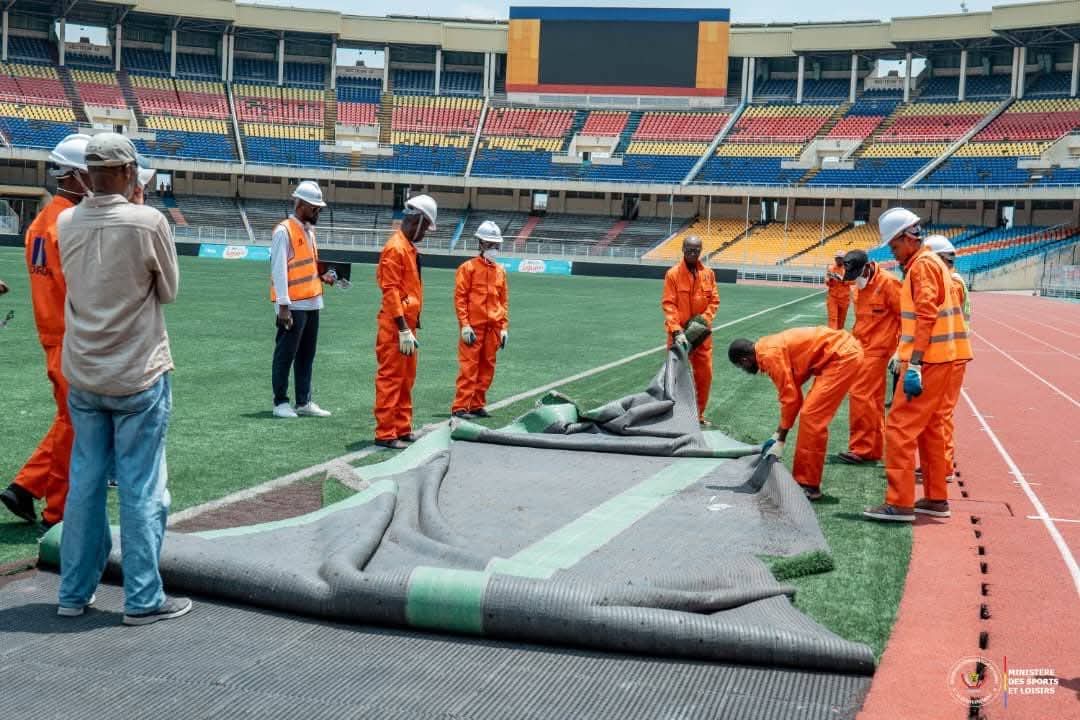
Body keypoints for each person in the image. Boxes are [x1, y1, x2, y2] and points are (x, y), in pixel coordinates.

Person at [55, 132, 190, 625]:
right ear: (130, 172)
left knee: (85, 484)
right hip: (137, 371)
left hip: (85, 371)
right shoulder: (148, 222)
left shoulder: (66, 221)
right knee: (141, 487)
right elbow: (169, 291)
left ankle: (73, 593)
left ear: (88, 173)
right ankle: (142, 598)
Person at [1, 134, 91, 529]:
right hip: (72, 336)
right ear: (73, 175)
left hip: (52, 332)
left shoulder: (41, 221)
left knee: (69, 419)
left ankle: (25, 486)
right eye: (92, 173)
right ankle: (58, 513)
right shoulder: (70, 224)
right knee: (75, 426)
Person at [863, 209, 971, 523]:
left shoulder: (922, 266)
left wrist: (914, 364)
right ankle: (936, 498)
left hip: (931, 360)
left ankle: (899, 503)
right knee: (932, 428)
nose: (894, 253)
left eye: (894, 246)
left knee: (899, 428)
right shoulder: (932, 263)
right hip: (947, 357)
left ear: (907, 238)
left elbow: (925, 316)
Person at [728, 326, 863, 500]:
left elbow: (790, 399)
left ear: (745, 360)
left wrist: (781, 439)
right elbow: (794, 395)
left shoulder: (769, 356)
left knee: (812, 417)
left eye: (741, 366)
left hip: (842, 357)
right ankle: (806, 480)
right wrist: (778, 434)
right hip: (841, 353)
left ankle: (809, 485)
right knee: (810, 414)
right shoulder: (766, 348)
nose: (744, 370)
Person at [374, 194, 437, 449]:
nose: (425, 234)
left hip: (406, 326)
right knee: (391, 378)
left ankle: (401, 427)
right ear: (418, 220)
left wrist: (408, 328)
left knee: (406, 378)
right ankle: (385, 433)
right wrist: (402, 328)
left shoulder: (407, 248)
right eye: (426, 227)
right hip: (395, 326)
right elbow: (390, 291)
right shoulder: (396, 248)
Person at [270, 181, 335, 419]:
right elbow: (279, 270)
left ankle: (303, 401)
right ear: (300, 205)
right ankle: (280, 402)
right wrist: (283, 306)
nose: (318, 212)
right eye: (314, 207)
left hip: (312, 302)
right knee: (285, 354)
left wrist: (323, 276)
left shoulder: (309, 231)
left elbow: (307, 265)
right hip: (293, 305)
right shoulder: (284, 231)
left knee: (307, 355)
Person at [835, 248, 902, 465]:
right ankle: (873, 449)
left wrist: (901, 350)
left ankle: (861, 448)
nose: (854, 281)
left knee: (860, 394)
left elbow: (906, 316)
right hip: (861, 347)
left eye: (856, 275)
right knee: (873, 400)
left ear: (866, 267)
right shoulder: (857, 286)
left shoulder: (888, 283)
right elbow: (862, 321)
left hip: (879, 349)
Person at [925, 234, 973, 480]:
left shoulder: (951, 283)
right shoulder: (952, 280)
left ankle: (942, 466)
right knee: (936, 412)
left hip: (950, 354)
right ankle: (936, 463)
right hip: (949, 352)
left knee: (941, 413)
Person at [452, 220, 509, 419]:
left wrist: (504, 327)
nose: (495, 248)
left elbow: (503, 302)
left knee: (487, 368)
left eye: (497, 244)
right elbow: (460, 299)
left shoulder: (500, 271)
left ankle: (477, 404)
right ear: (481, 243)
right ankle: (460, 407)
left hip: (493, 329)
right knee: (469, 367)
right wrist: (464, 325)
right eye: (491, 244)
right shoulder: (467, 268)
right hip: (473, 328)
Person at [661, 235, 720, 426]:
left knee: (705, 376)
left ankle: (698, 415)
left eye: (696, 249)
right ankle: (672, 415)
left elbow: (714, 301)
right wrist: (677, 331)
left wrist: (702, 322)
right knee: (675, 377)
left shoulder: (709, 274)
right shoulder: (673, 274)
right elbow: (669, 304)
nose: (692, 252)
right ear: (683, 249)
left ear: (701, 251)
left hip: (701, 336)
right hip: (679, 337)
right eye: (689, 249)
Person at [825, 250, 852, 329]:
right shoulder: (831, 268)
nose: (838, 260)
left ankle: (839, 334)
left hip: (844, 298)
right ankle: (832, 335)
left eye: (840, 258)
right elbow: (827, 282)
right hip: (833, 297)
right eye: (837, 258)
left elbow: (854, 281)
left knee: (841, 320)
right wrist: (829, 279)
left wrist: (843, 280)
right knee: (832, 319)